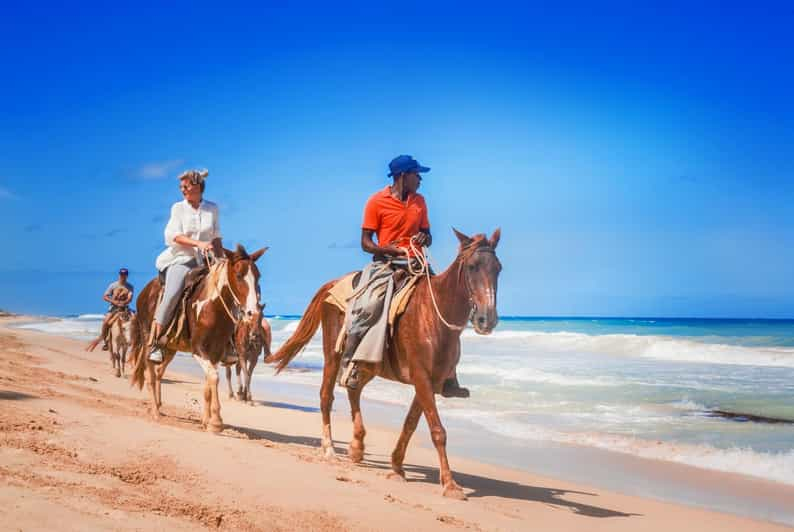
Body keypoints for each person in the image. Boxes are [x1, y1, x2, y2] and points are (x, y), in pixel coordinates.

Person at [338, 155, 469, 397]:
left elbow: (427, 234)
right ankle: (351, 364)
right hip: (387, 265)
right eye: (416, 175)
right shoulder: (376, 202)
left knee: (446, 304)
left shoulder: (420, 201)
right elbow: (366, 243)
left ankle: (449, 375)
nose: (420, 179)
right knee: (368, 306)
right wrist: (388, 249)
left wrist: (424, 239)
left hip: (417, 264)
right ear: (402, 176)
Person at [149, 169, 220, 362]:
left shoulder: (212, 208)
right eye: (181, 187)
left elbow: (216, 237)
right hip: (181, 258)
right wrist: (199, 244)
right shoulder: (178, 208)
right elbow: (174, 236)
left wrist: (222, 260)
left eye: (186, 186)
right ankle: (156, 342)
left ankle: (229, 342)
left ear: (197, 187)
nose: (182, 190)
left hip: (207, 259)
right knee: (172, 293)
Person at [86, 268, 134, 352]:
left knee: (135, 320)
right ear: (119, 275)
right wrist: (114, 302)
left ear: (127, 275)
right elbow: (105, 296)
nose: (123, 276)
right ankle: (105, 341)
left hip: (125, 308)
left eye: (125, 275)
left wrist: (125, 302)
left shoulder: (130, 286)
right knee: (106, 322)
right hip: (113, 308)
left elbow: (130, 298)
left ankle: (134, 341)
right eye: (121, 274)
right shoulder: (113, 285)